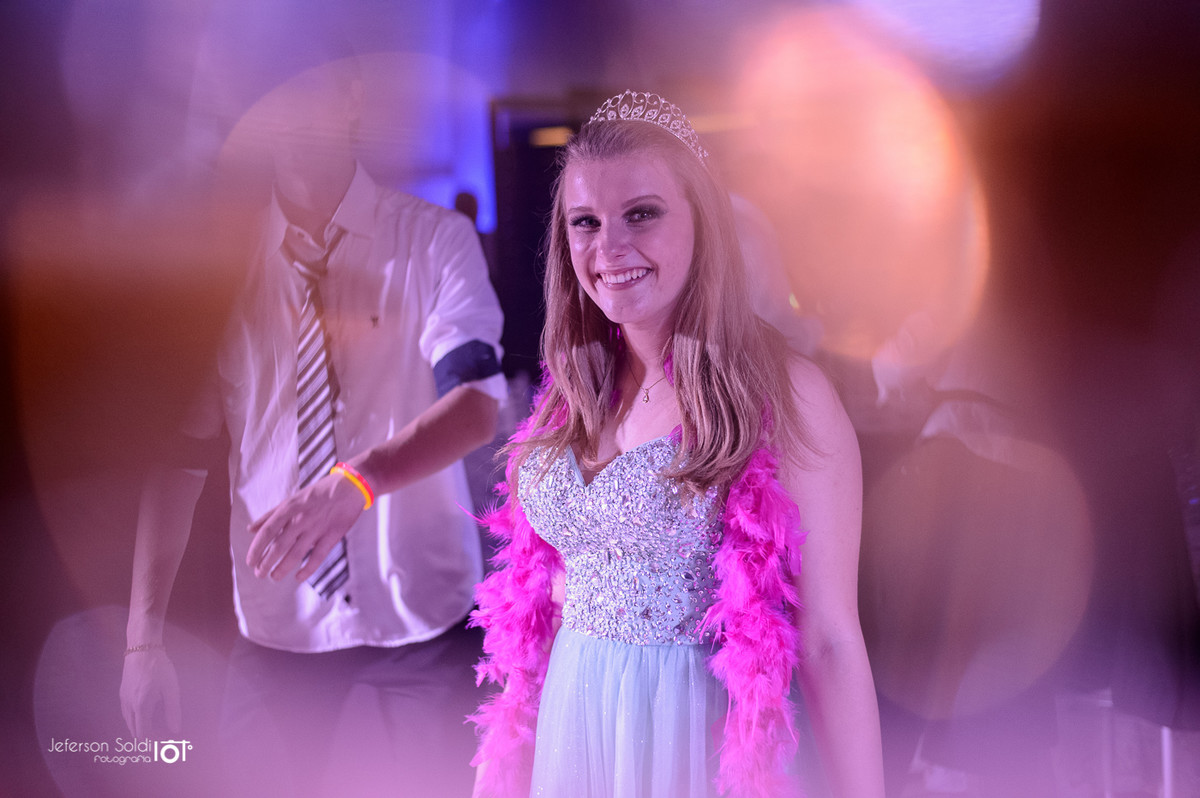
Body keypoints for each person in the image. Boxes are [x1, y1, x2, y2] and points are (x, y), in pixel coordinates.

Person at [469, 90, 885, 798]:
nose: (609, 248)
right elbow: (543, 604)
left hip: (694, 738)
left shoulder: (786, 393)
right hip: (575, 731)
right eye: (586, 222)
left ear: (703, 222)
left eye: (641, 214)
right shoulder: (570, 390)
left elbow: (830, 642)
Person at [119, 56, 505, 797]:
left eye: (305, 88)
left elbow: (475, 406)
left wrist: (354, 483)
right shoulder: (218, 273)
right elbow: (179, 461)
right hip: (276, 626)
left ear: (352, 96)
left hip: (421, 623)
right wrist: (142, 641)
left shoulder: (434, 240)